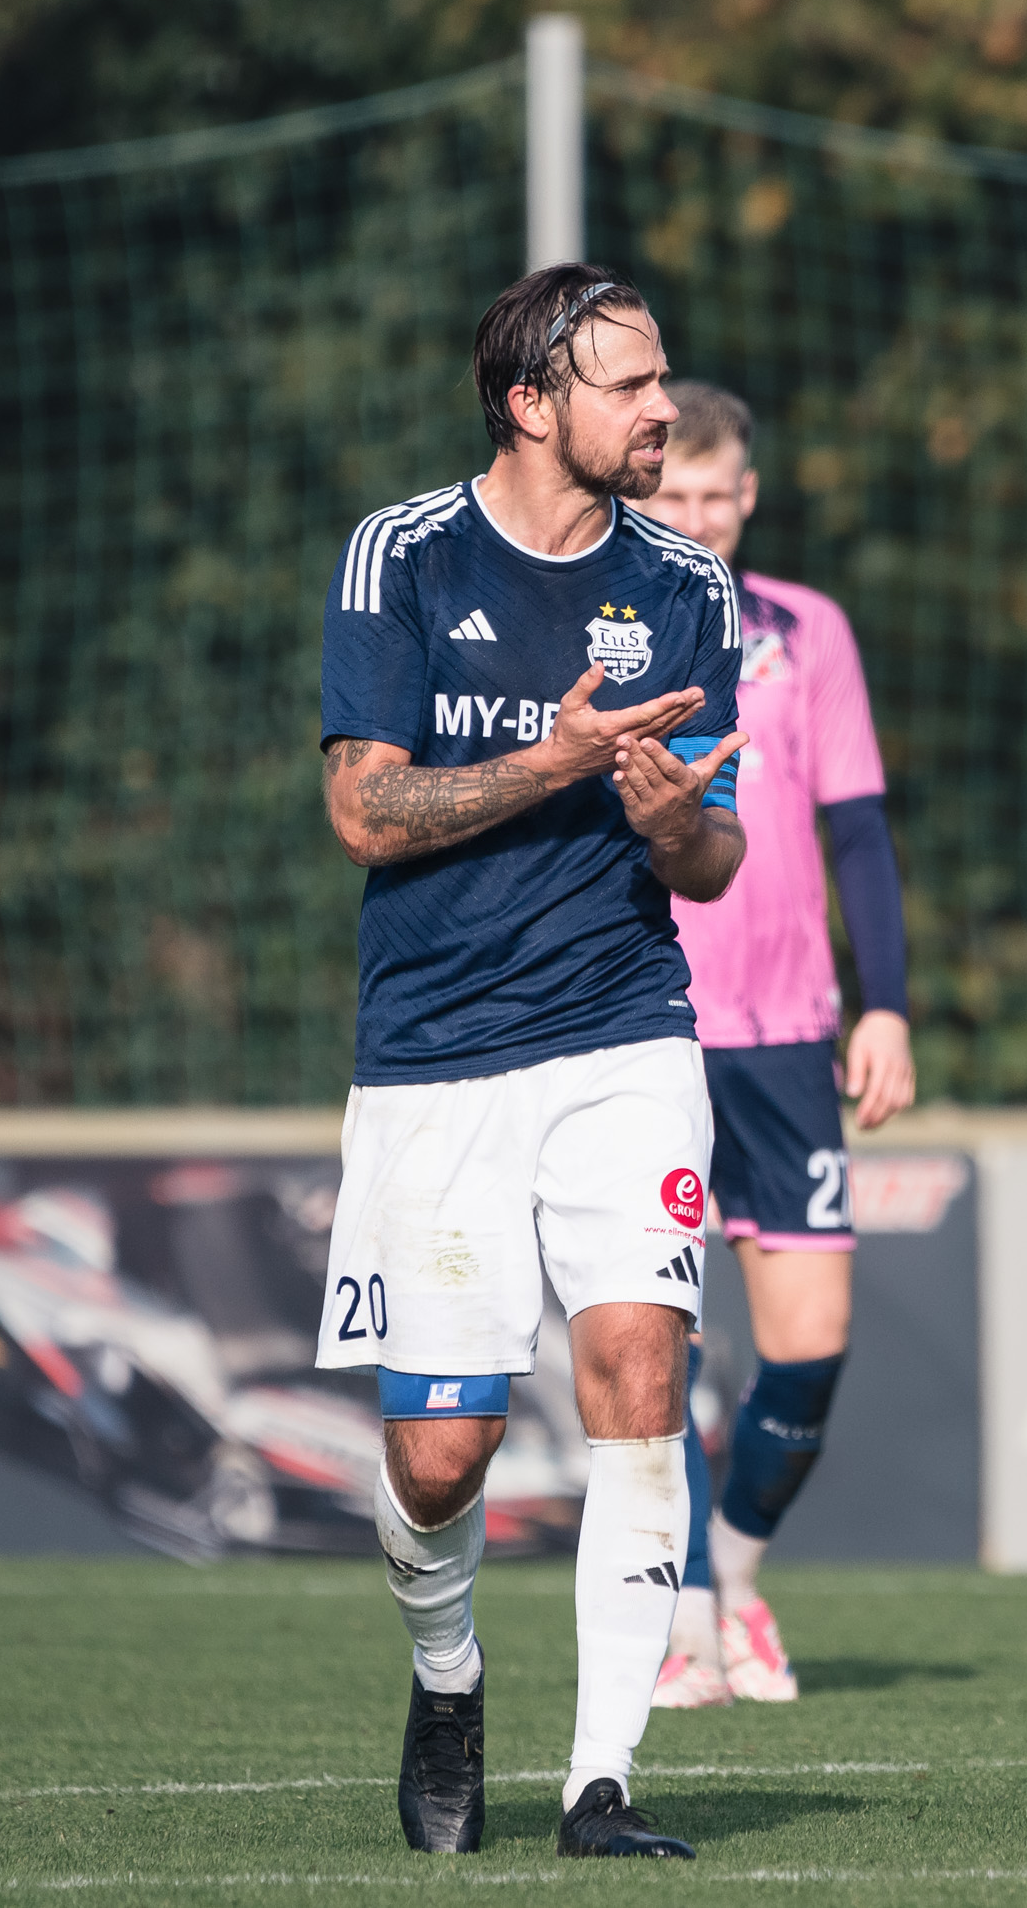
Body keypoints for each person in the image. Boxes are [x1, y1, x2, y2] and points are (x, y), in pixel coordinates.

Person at [317, 263, 750, 1861]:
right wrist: (555, 759)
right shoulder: (402, 556)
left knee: (642, 1368)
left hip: (625, 1032)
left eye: (661, 382)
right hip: (436, 1054)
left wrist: (669, 821)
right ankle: (447, 1672)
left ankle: (601, 1782)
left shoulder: (691, 587)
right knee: (443, 1455)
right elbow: (365, 810)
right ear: (530, 402)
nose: (660, 410)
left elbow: (715, 859)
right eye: (630, 386)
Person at [632, 381, 916, 1709]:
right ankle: (686, 1620)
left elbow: (856, 825)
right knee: (657, 1339)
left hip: (793, 1026)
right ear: (640, 491)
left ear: (747, 496)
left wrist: (888, 1001)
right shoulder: (608, 627)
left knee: (810, 1338)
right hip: (645, 1025)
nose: (694, 514)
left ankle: (732, 1574)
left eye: (715, 492)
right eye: (670, 492)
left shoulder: (810, 633)